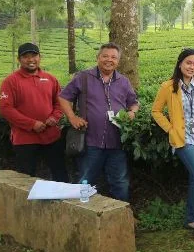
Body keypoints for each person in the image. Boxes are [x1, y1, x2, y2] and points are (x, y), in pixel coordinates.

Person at [59, 42, 139, 202]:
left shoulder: (123, 81)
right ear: (98, 58)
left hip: (116, 142)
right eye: (105, 56)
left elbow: (134, 102)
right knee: (86, 181)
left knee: (120, 182)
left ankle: (122, 216)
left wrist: (132, 112)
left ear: (118, 61)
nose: (109, 60)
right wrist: (72, 117)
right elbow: (63, 97)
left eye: (113, 57)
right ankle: (83, 216)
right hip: (90, 141)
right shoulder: (83, 77)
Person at [151, 48, 194, 239]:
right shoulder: (168, 86)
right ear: (180, 63)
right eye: (188, 62)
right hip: (184, 139)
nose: (191, 67)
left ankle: (189, 218)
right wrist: (170, 129)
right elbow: (156, 111)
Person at [0, 43, 68, 182]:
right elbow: (6, 108)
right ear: (19, 59)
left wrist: (55, 117)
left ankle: (65, 202)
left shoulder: (50, 79)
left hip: (51, 136)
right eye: (26, 57)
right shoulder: (10, 81)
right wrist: (31, 124)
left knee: (60, 174)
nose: (31, 60)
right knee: (25, 178)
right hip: (24, 139)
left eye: (34, 55)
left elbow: (59, 102)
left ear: (39, 57)